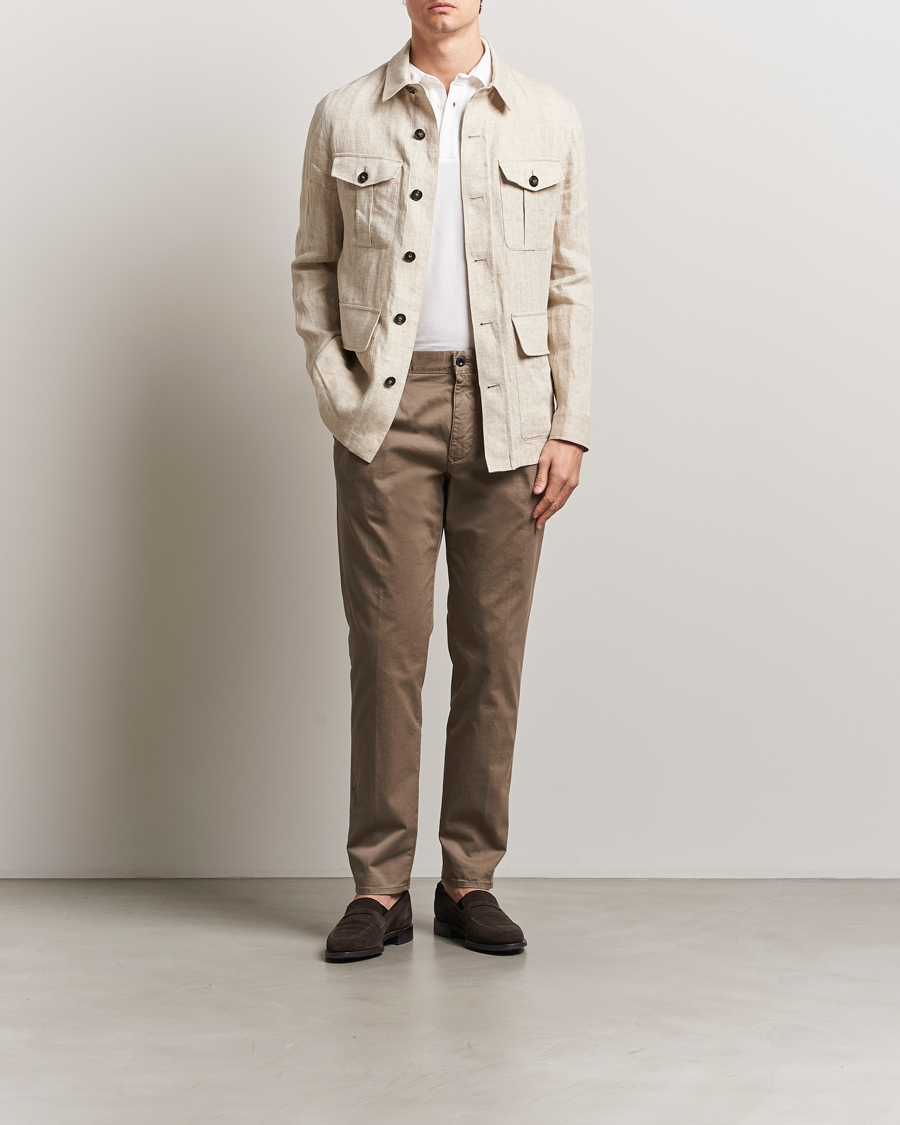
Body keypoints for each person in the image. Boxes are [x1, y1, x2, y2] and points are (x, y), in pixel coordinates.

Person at [291, 0, 592, 962]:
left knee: (493, 654)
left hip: (514, 411)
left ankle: (469, 881)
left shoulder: (548, 115)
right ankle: (379, 887)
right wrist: (344, 396)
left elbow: (569, 280)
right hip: (390, 409)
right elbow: (313, 266)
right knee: (387, 653)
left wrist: (569, 425)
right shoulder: (345, 113)